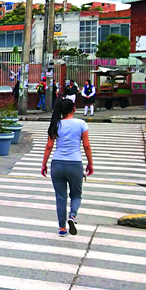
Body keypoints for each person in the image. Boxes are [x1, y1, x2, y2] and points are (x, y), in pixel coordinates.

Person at [41, 99, 94, 236]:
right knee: (76, 194)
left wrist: (44, 164)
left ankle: (62, 228)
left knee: (61, 197)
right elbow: (86, 146)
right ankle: (72, 216)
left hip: (57, 164)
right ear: (74, 109)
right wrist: (90, 163)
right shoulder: (81, 124)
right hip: (75, 164)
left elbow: (49, 146)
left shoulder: (56, 124)